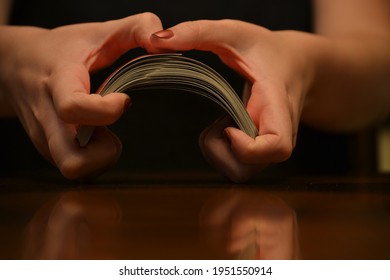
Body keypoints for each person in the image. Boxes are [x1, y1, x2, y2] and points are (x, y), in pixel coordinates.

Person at [1, 0, 390, 182]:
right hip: (42, 218)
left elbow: (379, 67)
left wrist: (306, 66)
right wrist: (15, 58)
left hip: (289, 224)